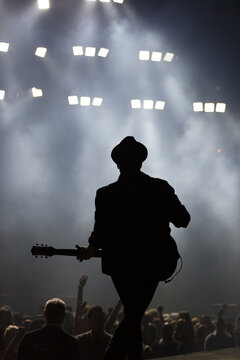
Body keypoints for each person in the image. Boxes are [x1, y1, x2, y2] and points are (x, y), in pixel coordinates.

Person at [77, 136, 191, 360]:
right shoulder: (159, 187)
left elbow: (100, 233)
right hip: (154, 263)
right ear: (141, 162)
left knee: (133, 312)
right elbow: (183, 219)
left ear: (118, 164)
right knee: (133, 314)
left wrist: (89, 251)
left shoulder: (105, 194)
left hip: (120, 265)